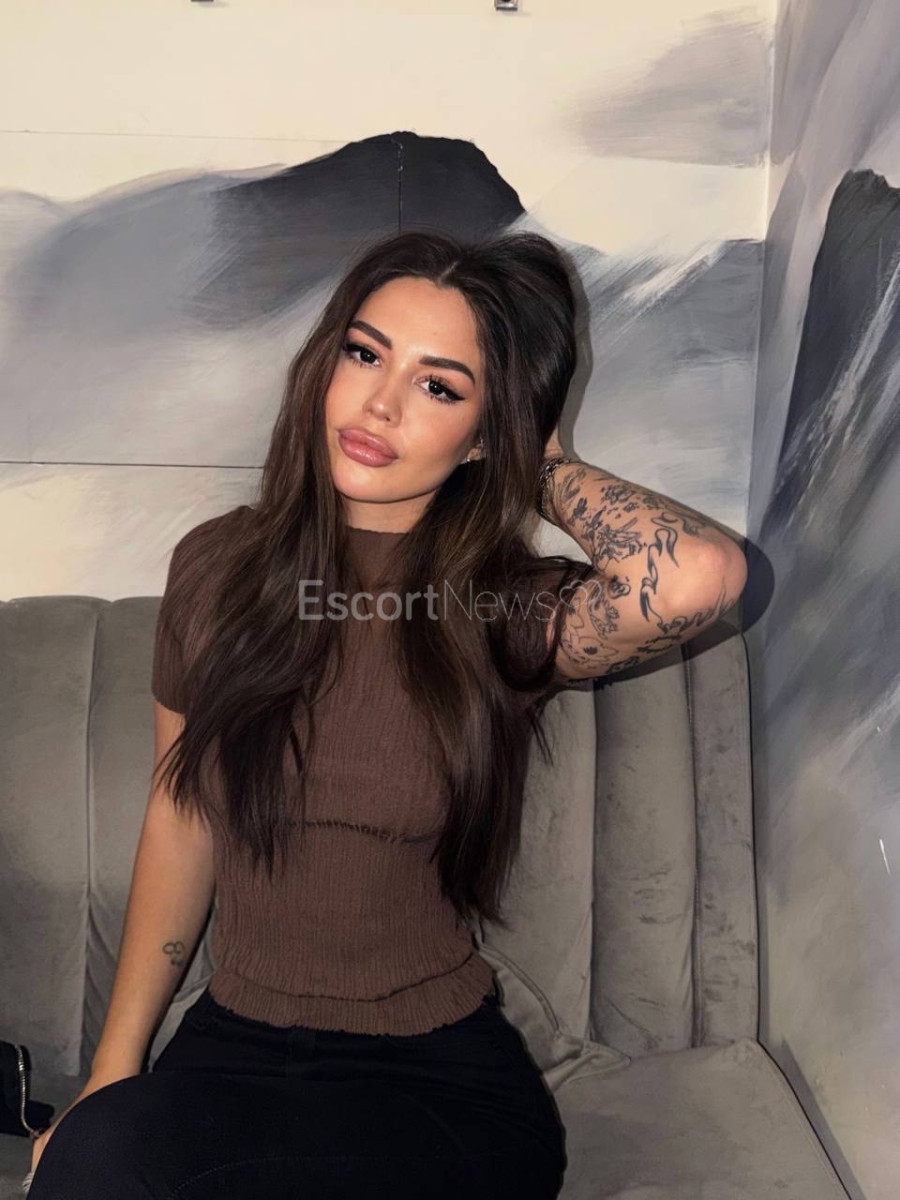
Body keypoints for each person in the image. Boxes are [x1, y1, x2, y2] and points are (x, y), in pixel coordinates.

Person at [27, 230, 747, 1198]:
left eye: (439, 386)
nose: (380, 403)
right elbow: (180, 814)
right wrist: (112, 1070)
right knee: (98, 1155)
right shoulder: (215, 570)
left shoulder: (501, 606)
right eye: (365, 354)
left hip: (435, 1084)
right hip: (233, 1047)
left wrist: (534, 458)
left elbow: (700, 575)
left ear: (484, 433)